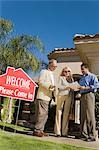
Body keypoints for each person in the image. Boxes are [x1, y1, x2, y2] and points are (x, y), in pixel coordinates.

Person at [33, 59, 57, 137]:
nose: (55, 67)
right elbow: (40, 82)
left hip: (48, 97)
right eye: (54, 66)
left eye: (56, 66)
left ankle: (41, 130)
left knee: (45, 114)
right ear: (50, 64)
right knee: (41, 114)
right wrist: (49, 86)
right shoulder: (44, 72)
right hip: (42, 96)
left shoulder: (53, 75)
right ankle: (37, 130)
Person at [78, 63, 99, 142]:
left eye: (83, 69)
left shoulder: (92, 76)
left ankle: (92, 135)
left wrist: (86, 87)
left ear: (87, 68)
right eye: (81, 69)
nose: (82, 71)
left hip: (89, 95)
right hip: (82, 96)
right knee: (82, 115)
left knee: (90, 115)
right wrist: (78, 91)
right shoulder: (82, 78)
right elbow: (80, 87)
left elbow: (97, 85)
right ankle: (83, 134)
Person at [54, 66, 74, 137]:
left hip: (69, 97)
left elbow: (73, 88)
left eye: (68, 71)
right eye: (65, 71)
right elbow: (58, 86)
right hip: (61, 96)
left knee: (66, 114)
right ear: (63, 72)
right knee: (58, 113)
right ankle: (57, 131)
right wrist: (67, 87)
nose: (67, 73)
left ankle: (64, 132)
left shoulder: (71, 79)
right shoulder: (61, 78)